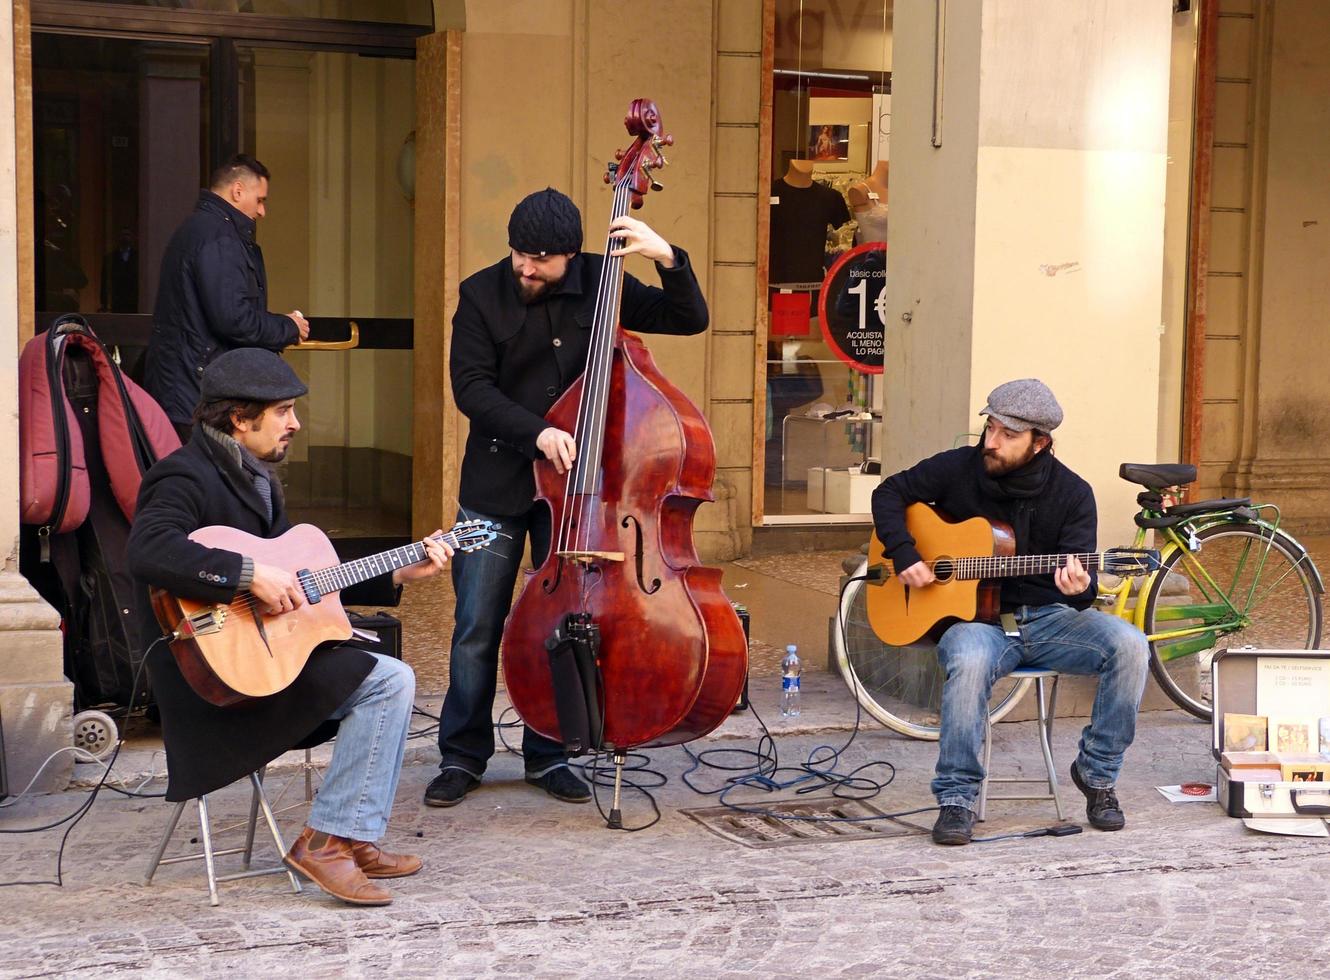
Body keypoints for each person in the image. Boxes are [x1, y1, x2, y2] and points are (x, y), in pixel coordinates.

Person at [128, 348, 452, 906]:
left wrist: (397, 571)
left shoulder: (257, 480)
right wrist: (246, 575)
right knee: (387, 681)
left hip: (263, 668)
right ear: (239, 418)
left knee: (388, 674)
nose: (296, 424)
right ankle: (329, 842)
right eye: (282, 411)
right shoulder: (183, 475)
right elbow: (148, 549)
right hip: (212, 687)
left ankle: (352, 837)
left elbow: (299, 582)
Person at [425, 187, 710, 809]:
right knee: (477, 624)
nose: (525, 268)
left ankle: (550, 751)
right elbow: (470, 389)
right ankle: (462, 755)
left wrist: (667, 256)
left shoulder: (602, 280)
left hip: (584, 497)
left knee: (565, 622)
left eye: (541, 260)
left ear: (570, 256)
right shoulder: (480, 295)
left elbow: (690, 318)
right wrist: (539, 432)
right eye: (518, 255)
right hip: (497, 487)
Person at [871, 379, 1149, 845]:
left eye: (1008, 435)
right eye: (990, 427)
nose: (992, 442)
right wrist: (904, 553)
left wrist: (1081, 589)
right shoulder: (958, 467)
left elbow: (1081, 586)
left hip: (1047, 620)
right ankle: (956, 798)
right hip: (975, 624)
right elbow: (889, 493)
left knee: (1131, 645)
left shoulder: (1073, 494)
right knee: (970, 658)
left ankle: (1097, 775)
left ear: (1040, 442)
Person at [144, 154, 310, 442]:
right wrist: (288, 327)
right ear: (237, 191)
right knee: (205, 481)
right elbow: (233, 320)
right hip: (195, 392)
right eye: (260, 200)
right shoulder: (219, 237)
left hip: (184, 388)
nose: (262, 211)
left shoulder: (200, 230)